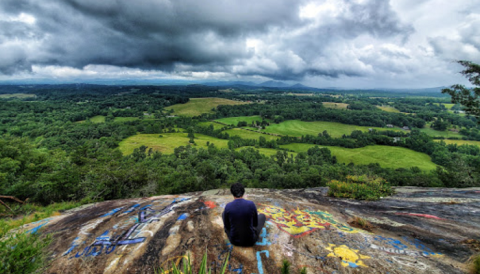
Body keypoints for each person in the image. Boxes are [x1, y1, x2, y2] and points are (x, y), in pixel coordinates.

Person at [222, 182, 266, 247]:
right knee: (262, 216)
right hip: (250, 241)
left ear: (232, 193)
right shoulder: (251, 204)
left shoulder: (228, 206)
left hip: (234, 241)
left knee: (224, 214)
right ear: (243, 192)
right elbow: (255, 224)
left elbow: (227, 226)